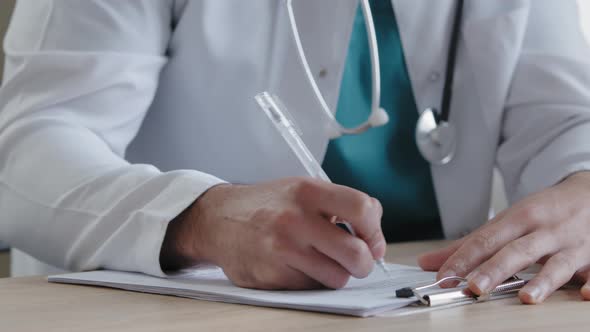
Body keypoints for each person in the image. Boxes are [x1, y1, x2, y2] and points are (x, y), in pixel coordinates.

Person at [1, 0, 590, 304]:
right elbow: (28, 149)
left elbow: (567, 120)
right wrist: (197, 217)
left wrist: (583, 187)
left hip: (420, 305)